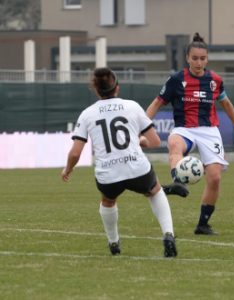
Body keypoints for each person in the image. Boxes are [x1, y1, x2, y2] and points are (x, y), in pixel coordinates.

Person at [61, 67, 177, 257]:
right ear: (118, 88)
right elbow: (155, 141)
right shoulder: (132, 106)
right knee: (155, 191)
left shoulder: (87, 114)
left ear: (96, 90)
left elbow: (75, 153)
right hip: (137, 168)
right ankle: (168, 235)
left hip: (108, 173)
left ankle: (114, 243)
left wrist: (67, 169)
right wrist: (139, 141)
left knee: (108, 200)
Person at [146, 33, 234, 235]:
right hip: (184, 128)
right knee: (175, 144)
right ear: (187, 58)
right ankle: (178, 180)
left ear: (207, 59)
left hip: (209, 131)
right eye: (194, 58)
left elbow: (226, 104)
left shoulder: (215, 80)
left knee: (215, 178)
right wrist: (142, 126)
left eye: (202, 58)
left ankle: (203, 224)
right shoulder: (177, 80)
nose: (198, 62)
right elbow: (157, 103)